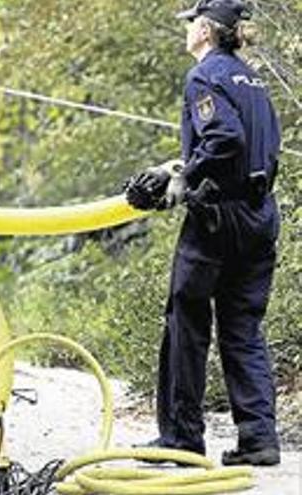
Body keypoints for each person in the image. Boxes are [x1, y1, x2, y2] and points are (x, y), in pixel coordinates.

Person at [126, 0, 282, 466]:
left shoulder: (204, 76)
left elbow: (224, 140)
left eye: (192, 22)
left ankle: (181, 437)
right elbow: (254, 147)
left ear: (207, 31)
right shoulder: (252, 79)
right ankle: (259, 439)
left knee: (186, 323)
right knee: (243, 329)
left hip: (216, 221)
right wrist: (182, 169)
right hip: (259, 216)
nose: (187, 29)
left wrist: (183, 179)